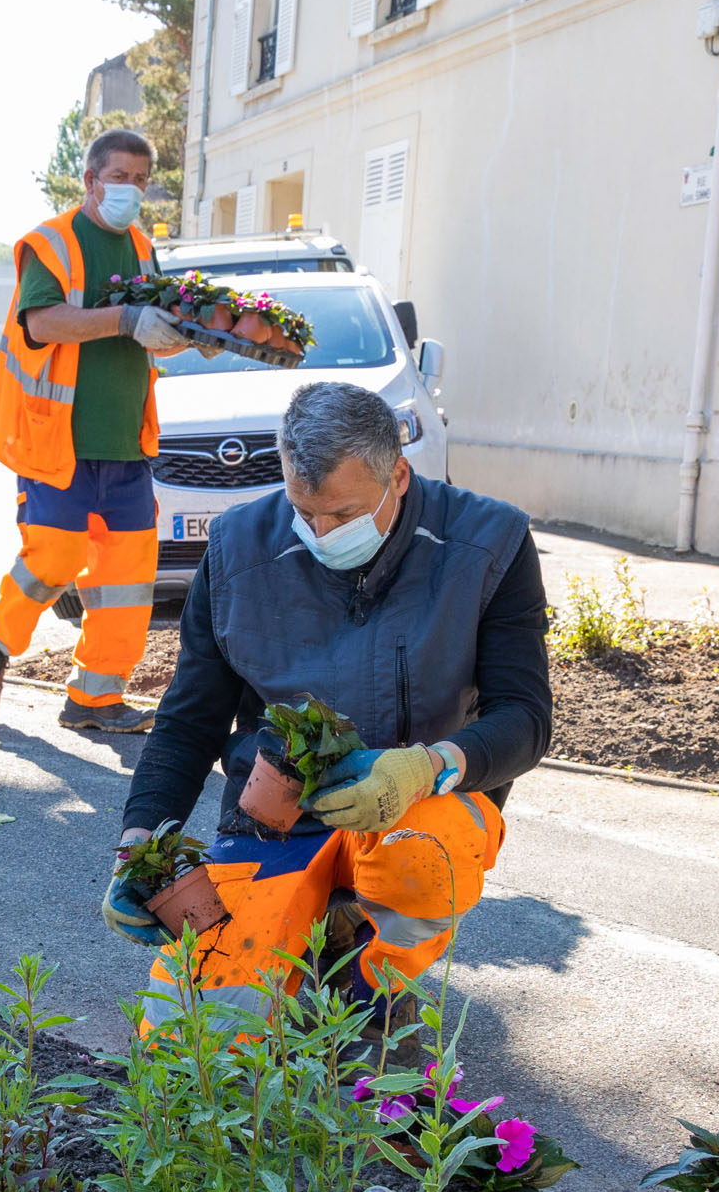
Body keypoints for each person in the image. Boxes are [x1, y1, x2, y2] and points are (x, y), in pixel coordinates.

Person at [101, 380, 553, 1023]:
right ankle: (312, 928)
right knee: (194, 1038)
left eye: (342, 515)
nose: (320, 532)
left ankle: (373, 993)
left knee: (420, 858)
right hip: (272, 821)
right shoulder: (237, 549)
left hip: (419, 812)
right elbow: (187, 721)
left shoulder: (488, 544)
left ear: (398, 475)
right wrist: (140, 842)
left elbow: (526, 720)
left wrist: (426, 766)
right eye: (303, 510)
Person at [0, 128, 207, 732]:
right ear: (91, 179)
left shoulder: (144, 250)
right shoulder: (52, 243)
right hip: (56, 442)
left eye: (141, 181)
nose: (130, 190)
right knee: (57, 555)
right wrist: (126, 319)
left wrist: (181, 338)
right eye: (119, 177)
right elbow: (43, 322)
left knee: (127, 581)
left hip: (126, 443)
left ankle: (95, 699)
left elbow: (143, 340)